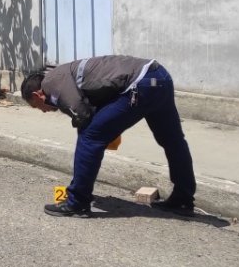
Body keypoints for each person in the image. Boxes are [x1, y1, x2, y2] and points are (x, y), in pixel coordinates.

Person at [21, 55, 194, 217]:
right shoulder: (64, 74)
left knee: (89, 135)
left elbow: (81, 112)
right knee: (173, 141)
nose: (43, 111)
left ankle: (77, 201)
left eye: (36, 106)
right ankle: (183, 199)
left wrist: (89, 124)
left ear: (37, 95)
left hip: (140, 84)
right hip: (159, 77)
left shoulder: (52, 81)